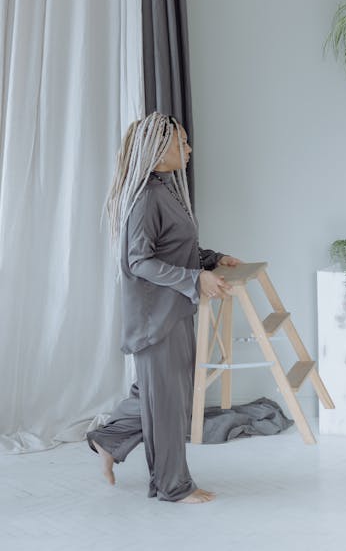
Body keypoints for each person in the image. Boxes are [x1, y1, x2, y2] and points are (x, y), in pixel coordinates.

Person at [86, 112, 240, 503]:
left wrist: (212, 259)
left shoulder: (167, 188)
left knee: (161, 395)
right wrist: (195, 280)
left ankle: (109, 440)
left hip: (174, 310)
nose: (188, 149)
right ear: (158, 154)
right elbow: (139, 261)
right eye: (181, 143)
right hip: (156, 317)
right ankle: (173, 485)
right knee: (168, 403)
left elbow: (175, 247)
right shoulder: (146, 198)